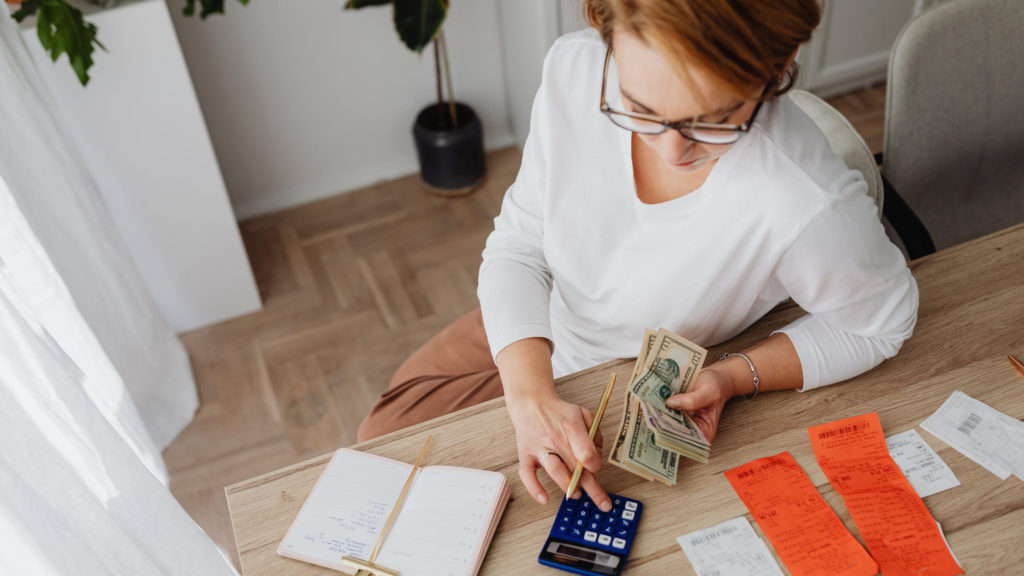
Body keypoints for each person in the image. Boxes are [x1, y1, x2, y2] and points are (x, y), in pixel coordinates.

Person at [358, 0, 918, 515]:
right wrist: (529, 395)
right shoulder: (576, 71)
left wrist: (734, 377)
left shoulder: (803, 200)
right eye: (638, 107)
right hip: (541, 314)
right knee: (378, 438)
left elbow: (882, 326)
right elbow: (521, 243)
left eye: (715, 119)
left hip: (613, 380)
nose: (671, 149)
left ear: (781, 61)